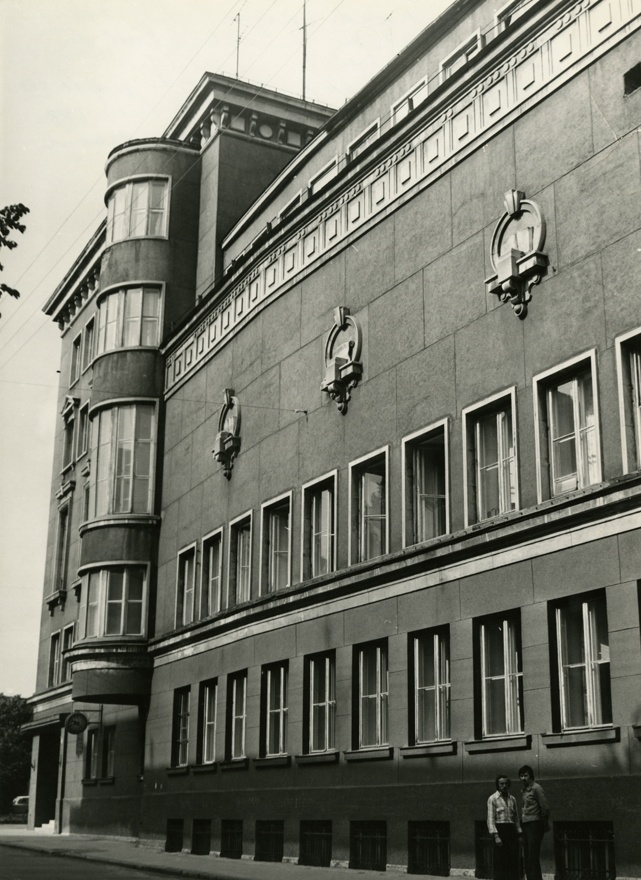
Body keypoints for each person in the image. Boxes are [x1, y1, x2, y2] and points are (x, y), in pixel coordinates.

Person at [518, 765, 550, 880]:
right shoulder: (525, 790)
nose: (523, 778)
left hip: (535, 825)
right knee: (527, 856)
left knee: (532, 856)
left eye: (525, 775)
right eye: (521, 776)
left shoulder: (536, 788)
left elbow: (545, 808)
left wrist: (543, 824)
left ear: (531, 776)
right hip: (526, 824)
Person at [487, 775, 521, 880]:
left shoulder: (513, 799)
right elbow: (490, 818)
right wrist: (496, 836)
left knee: (512, 859)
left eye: (506, 783)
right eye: (501, 784)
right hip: (500, 831)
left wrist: (519, 833)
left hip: (511, 831)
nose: (504, 786)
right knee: (500, 860)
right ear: (497, 785)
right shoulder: (492, 799)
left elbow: (516, 818)